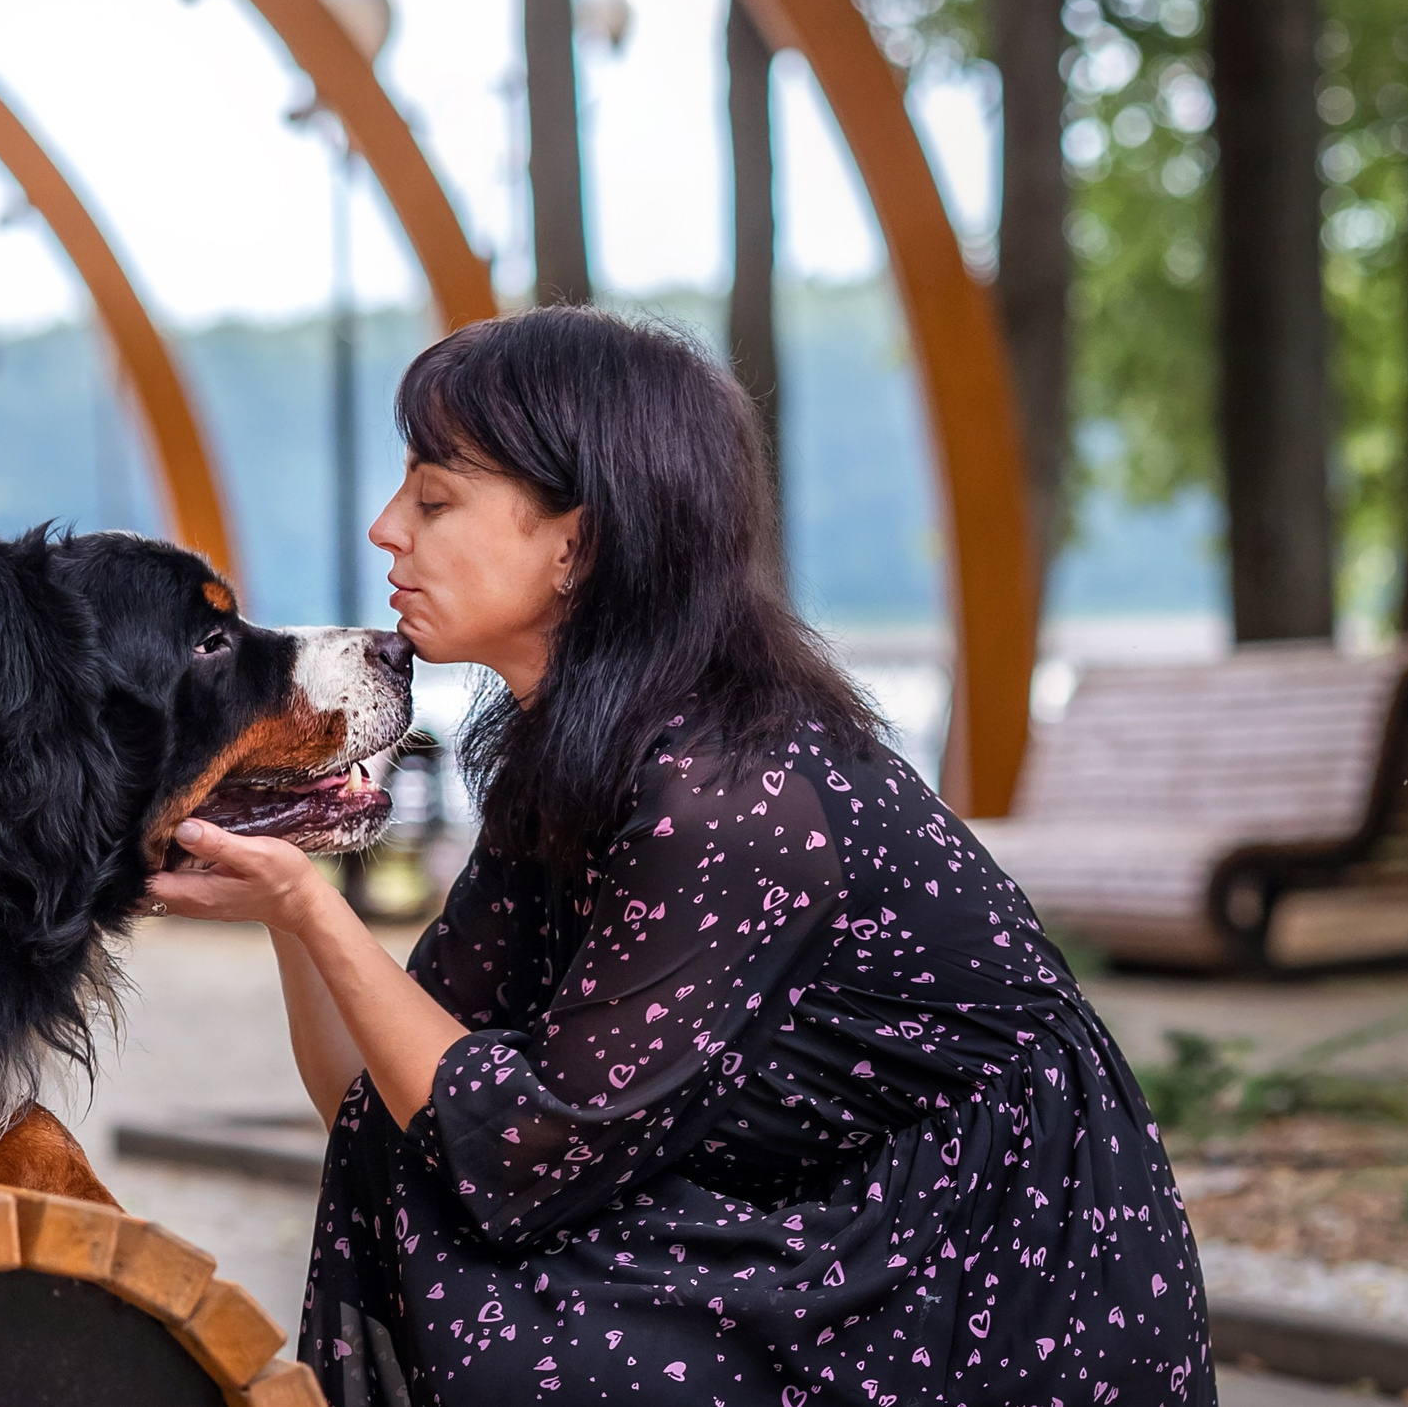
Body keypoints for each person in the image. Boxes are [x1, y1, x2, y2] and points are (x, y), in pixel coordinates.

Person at [147, 308, 1210, 1405]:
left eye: (433, 497)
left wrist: (320, 915)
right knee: (416, 1176)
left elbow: (511, 1150)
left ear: (579, 541)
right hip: (812, 1205)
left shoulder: (725, 794)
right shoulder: (574, 747)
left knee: (521, 1320)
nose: (385, 528)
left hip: (979, 1252)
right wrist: (291, 907)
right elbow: (391, 1105)